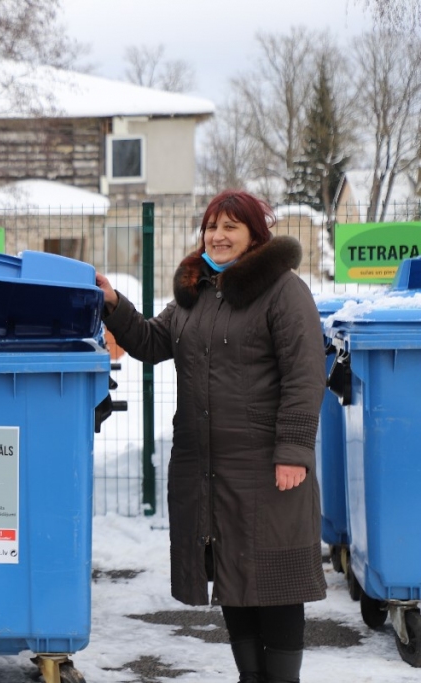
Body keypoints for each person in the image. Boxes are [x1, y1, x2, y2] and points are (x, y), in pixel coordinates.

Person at [95, 190, 326, 683]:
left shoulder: (284, 291)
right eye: (211, 227)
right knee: (233, 575)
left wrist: (294, 450)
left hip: (266, 466)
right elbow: (155, 342)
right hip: (206, 466)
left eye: (230, 228)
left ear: (255, 236)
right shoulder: (199, 291)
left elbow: (305, 375)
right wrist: (114, 304)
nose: (217, 237)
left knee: (276, 583)